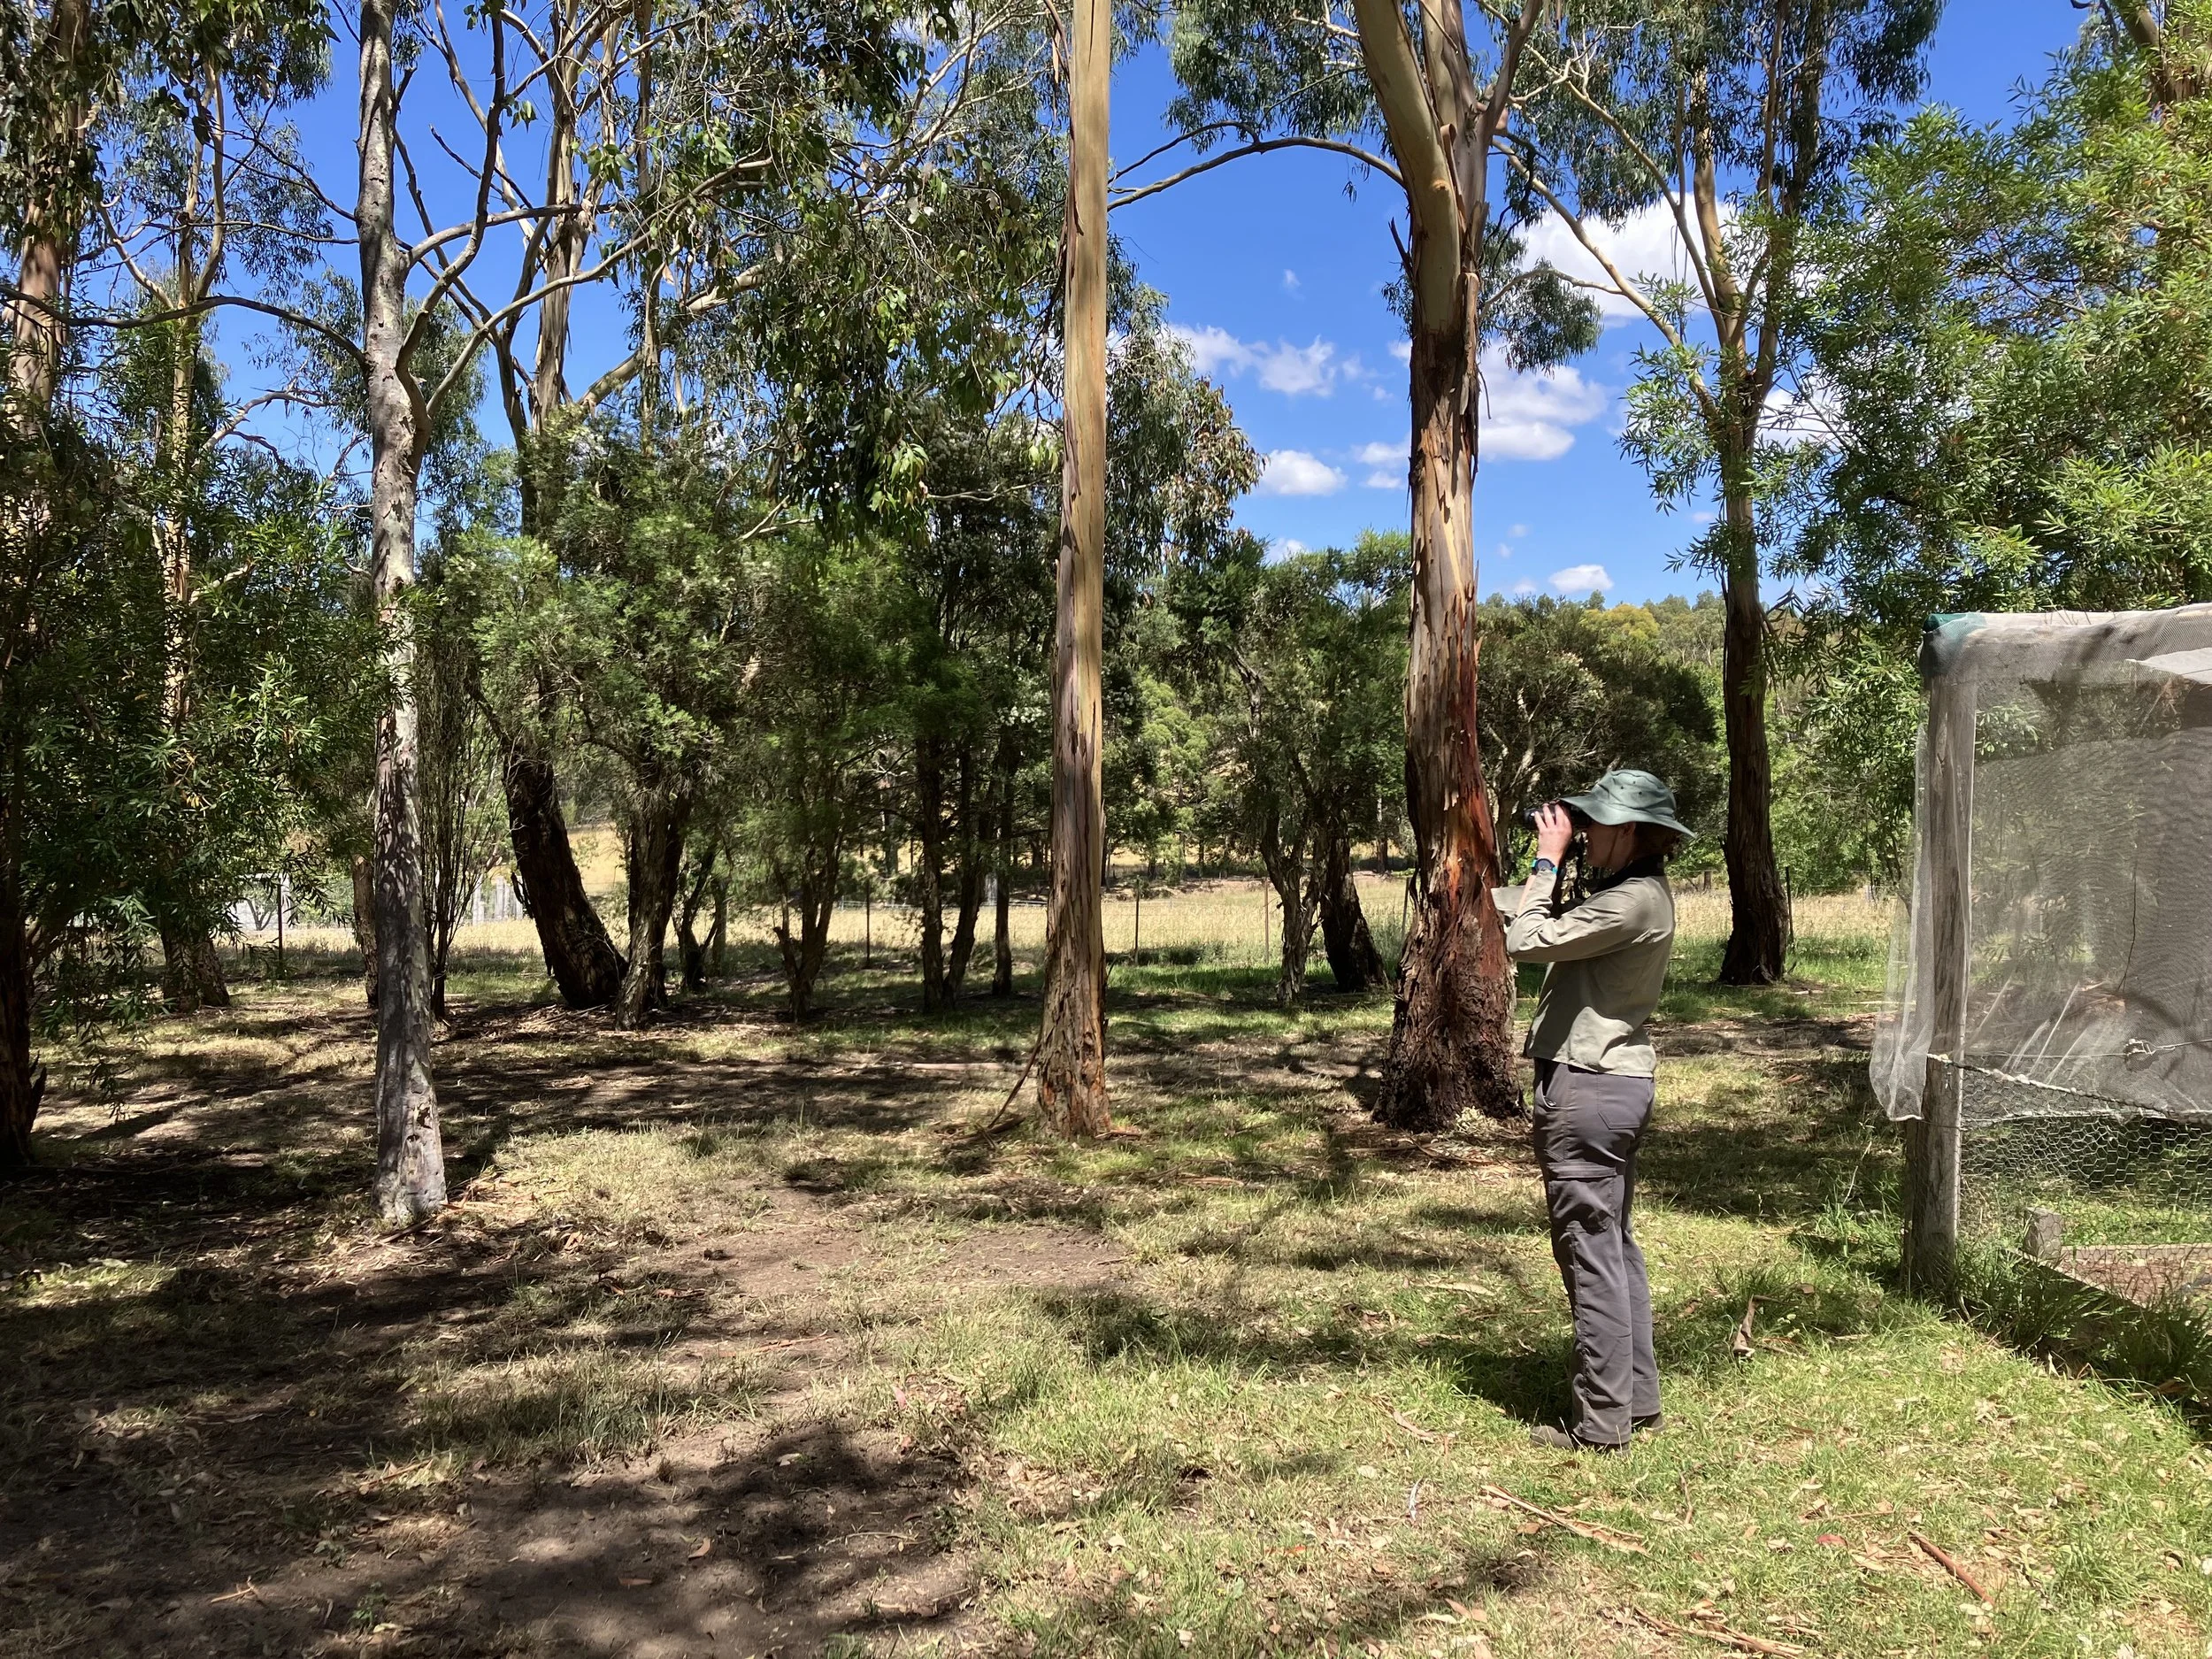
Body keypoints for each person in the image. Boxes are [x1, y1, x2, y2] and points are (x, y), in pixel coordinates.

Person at [1502, 768, 1693, 1453]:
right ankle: (1635, 1400)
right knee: (1611, 1245)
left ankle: (1603, 1421)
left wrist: (1547, 857)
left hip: (1588, 1087)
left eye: (1596, 823)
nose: (1585, 832)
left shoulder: (1632, 901)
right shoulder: (1634, 895)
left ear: (1636, 831)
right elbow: (1537, 919)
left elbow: (1526, 941)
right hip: (1611, 1087)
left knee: (1589, 1250)